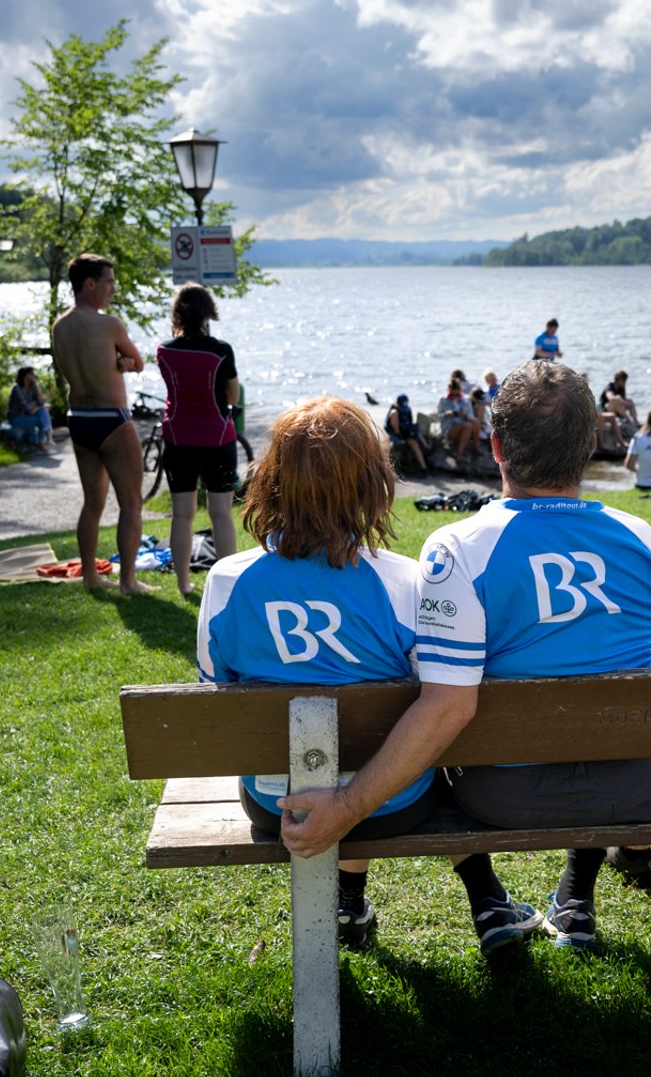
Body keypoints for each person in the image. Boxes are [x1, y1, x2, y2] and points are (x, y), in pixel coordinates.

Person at [277, 361, 651, 951]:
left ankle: (488, 899)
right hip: (636, 786)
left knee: (422, 733)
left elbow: (445, 709)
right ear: (590, 445)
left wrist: (347, 804)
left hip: (505, 795)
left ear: (495, 445)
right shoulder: (644, 538)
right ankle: (576, 896)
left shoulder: (460, 549)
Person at [198, 396, 542, 953]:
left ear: (271, 481)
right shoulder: (407, 583)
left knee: (358, 750)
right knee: (430, 748)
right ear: (374, 487)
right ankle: (486, 899)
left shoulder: (226, 580)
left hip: (273, 801)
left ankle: (349, 902)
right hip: (392, 805)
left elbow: (218, 689)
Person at [48, 253, 154, 594]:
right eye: (108, 281)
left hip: (78, 419)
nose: (113, 288)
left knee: (92, 503)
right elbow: (137, 361)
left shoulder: (59, 326)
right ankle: (128, 582)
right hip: (111, 418)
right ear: (89, 284)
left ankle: (91, 576)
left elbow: (82, 362)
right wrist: (123, 362)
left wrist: (114, 361)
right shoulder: (109, 324)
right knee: (131, 502)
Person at [156, 283, 242, 599]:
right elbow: (233, 395)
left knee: (182, 514)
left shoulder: (165, 351)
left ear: (177, 313)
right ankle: (228, 586)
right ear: (209, 312)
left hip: (177, 438)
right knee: (220, 512)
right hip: (218, 438)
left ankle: (183, 584)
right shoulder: (221, 350)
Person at [7, 367, 53, 454]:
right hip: (16, 418)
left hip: (28, 416)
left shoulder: (32, 388)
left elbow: (42, 402)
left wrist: (36, 386)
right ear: (25, 376)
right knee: (41, 418)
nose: (34, 376)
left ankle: (41, 440)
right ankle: (43, 441)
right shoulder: (17, 389)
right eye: (31, 374)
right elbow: (27, 407)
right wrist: (41, 406)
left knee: (43, 412)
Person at [436, 377, 479, 462]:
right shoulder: (443, 399)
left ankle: (476, 447)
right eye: (452, 394)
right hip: (449, 428)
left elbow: (470, 416)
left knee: (475, 422)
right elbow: (438, 416)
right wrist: (446, 414)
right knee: (468, 426)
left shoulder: (466, 399)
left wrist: (465, 415)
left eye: (456, 394)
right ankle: (459, 454)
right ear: (449, 390)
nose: (454, 396)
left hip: (463, 425)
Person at [383, 393, 430, 470]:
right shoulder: (394, 412)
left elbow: (410, 423)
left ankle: (424, 468)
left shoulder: (407, 409)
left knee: (414, 444)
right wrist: (399, 437)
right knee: (398, 446)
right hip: (394, 433)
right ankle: (391, 470)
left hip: (404, 432)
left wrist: (411, 434)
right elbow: (394, 428)